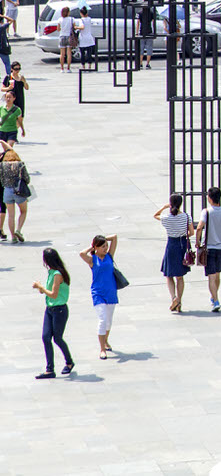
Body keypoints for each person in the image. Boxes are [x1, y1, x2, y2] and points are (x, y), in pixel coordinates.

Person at [33, 247, 74, 378]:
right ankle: (49, 369)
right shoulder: (51, 272)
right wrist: (41, 288)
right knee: (46, 337)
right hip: (50, 309)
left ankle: (69, 362)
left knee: (57, 338)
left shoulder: (57, 274)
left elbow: (54, 294)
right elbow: (47, 292)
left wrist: (40, 287)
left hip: (59, 310)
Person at [79, 234, 118, 359]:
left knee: (109, 321)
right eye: (102, 247)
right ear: (96, 248)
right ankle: (102, 349)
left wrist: (103, 239)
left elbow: (115, 237)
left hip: (111, 292)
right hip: (98, 293)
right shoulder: (92, 260)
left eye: (106, 246)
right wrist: (92, 247)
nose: (105, 248)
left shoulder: (109, 256)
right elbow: (81, 253)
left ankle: (105, 340)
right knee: (102, 320)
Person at [195, 186, 221, 312]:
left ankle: (215, 300)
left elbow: (200, 227)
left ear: (210, 198)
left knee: (211, 276)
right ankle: (214, 296)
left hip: (210, 248)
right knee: (217, 275)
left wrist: (197, 241)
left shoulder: (206, 212)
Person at [154, 193, 194, 312]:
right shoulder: (186, 217)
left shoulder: (166, 218)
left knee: (169, 274)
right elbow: (191, 232)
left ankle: (173, 298)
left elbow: (155, 215)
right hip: (182, 245)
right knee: (180, 276)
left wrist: (164, 207)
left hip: (171, 245)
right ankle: (179, 301)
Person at [1, 143, 31, 242]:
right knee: (23, 211)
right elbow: (27, 178)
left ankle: (13, 237)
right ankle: (18, 230)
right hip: (19, 191)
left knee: (11, 215)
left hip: (7, 190)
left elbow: (1, 179)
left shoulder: (2, 165)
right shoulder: (20, 164)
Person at [137, 0, 156, 70]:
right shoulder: (151, 12)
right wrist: (154, 31)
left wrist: (136, 32)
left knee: (141, 48)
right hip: (149, 31)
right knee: (149, 48)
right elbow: (153, 22)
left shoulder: (140, 12)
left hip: (142, 31)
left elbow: (138, 23)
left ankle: (140, 63)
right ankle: (147, 64)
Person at [57, 5, 77, 72]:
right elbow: (74, 27)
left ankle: (62, 68)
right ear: (68, 12)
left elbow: (58, 29)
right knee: (69, 53)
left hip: (62, 36)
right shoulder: (72, 19)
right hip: (69, 36)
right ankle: (68, 68)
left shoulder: (60, 19)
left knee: (62, 54)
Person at [77, 6, 97, 71]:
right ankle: (89, 66)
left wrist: (76, 27)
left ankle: (83, 67)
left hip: (83, 38)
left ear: (81, 13)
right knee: (89, 54)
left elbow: (82, 27)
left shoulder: (81, 20)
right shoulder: (89, 19)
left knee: (82, 54)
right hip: (89, 38)